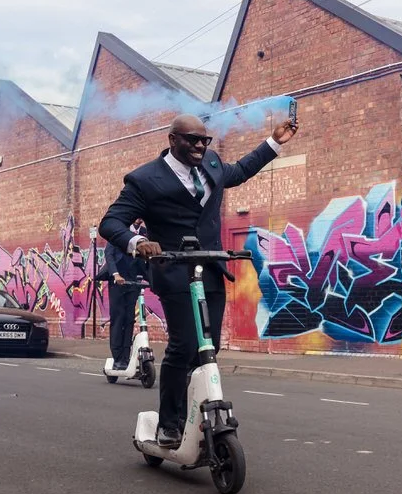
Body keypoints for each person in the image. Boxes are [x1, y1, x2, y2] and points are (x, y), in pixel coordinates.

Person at [99, 113, 298, 448]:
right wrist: (138, 242)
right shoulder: (145, 179)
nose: (199, 147)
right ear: (172, 139)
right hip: (173, 270)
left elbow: (240, 171)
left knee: (209, 347)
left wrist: (274, 142)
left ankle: (193, 413)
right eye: (192, 140)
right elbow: (111, 223)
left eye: (204, 141)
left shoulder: (212, 164)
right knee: (184, 345)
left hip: (210, 268)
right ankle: (169, 423)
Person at [97, 219, 148, 370]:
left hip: (133, 281)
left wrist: (153, 280)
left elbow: (145, 259)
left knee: (129, 320)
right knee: (118, 319)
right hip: (118, 281)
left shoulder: (144, 233)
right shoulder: (120, 229)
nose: (139, 218)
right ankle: (117, 357)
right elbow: (109, 254)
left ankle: (126, 357)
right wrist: (115, 274)